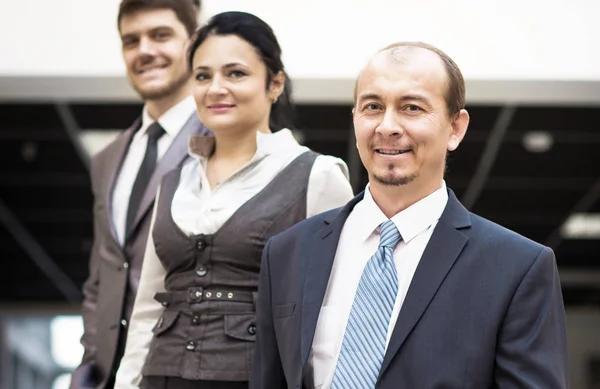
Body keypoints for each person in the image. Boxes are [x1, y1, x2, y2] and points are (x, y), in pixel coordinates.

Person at [251, 41, 569, 389]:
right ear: (355, 118)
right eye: (372, 106)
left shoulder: (517, 268)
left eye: (412, 108)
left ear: (456, 128)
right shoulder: (287, 253)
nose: (387, 126)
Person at [114, 11, 354, 389]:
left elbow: (337, 309)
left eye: (236, 73)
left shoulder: (318, 175)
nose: (216, 88)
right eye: (203, 76)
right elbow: (147, 307)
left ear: (275, 84)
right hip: (160, 376)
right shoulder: (173, 180)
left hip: (252, 378)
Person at [70, 1, 210, 388]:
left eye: (161, 35)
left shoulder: (222, 140)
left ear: (194, 43)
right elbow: (102, 276)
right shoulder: (108, 158)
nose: (145, 50)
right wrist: (87, 366)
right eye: (131, 41)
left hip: (181, 372)